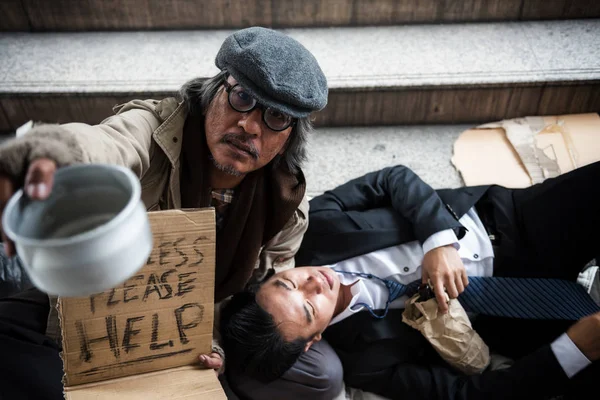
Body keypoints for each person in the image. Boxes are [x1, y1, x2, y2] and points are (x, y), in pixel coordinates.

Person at [0, 26, 330, 399]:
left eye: (276, 118)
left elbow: (251, 296)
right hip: (76, 314)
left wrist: (212, 343)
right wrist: (48, 156)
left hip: (174, 344)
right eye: (241, 97)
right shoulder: (156, 129)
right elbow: (105, 145)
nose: (250, 126)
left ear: (290, 136)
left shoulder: (287, 205)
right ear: (215, 91)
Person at [220, 161, 600, 400]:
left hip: (505, 222)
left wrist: (438, 240)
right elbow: (465, 394)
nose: (313, 283)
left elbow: (392, 178)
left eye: (288, 283)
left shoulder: (316, 228)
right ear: (312, 342)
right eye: (307, 308)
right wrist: (572, 350)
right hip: (520, 317)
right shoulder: (365, 361)